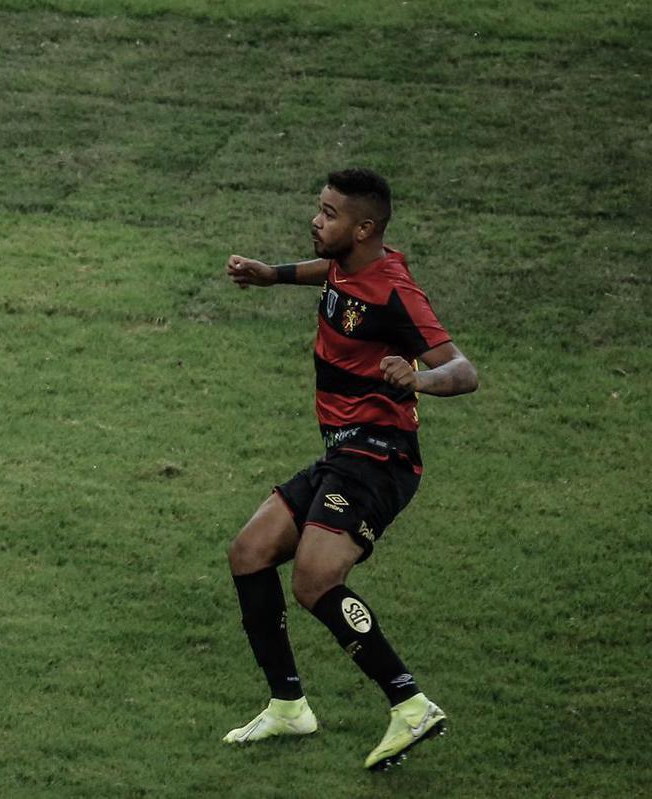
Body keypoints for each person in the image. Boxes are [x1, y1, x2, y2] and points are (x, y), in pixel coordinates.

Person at [221, 168, 477, 770]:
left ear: (363, 228)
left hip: (380, 456)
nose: (316, 219)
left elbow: (464, 370)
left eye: (330, 213)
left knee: (313, 582)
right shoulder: (346, 263)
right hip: (344, 453)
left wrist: (419, 378)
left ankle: (409, 703)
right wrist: (272, 274)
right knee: (249, 552)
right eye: (319, 208)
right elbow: (330, 276)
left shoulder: (396, 291)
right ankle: (288, 706)